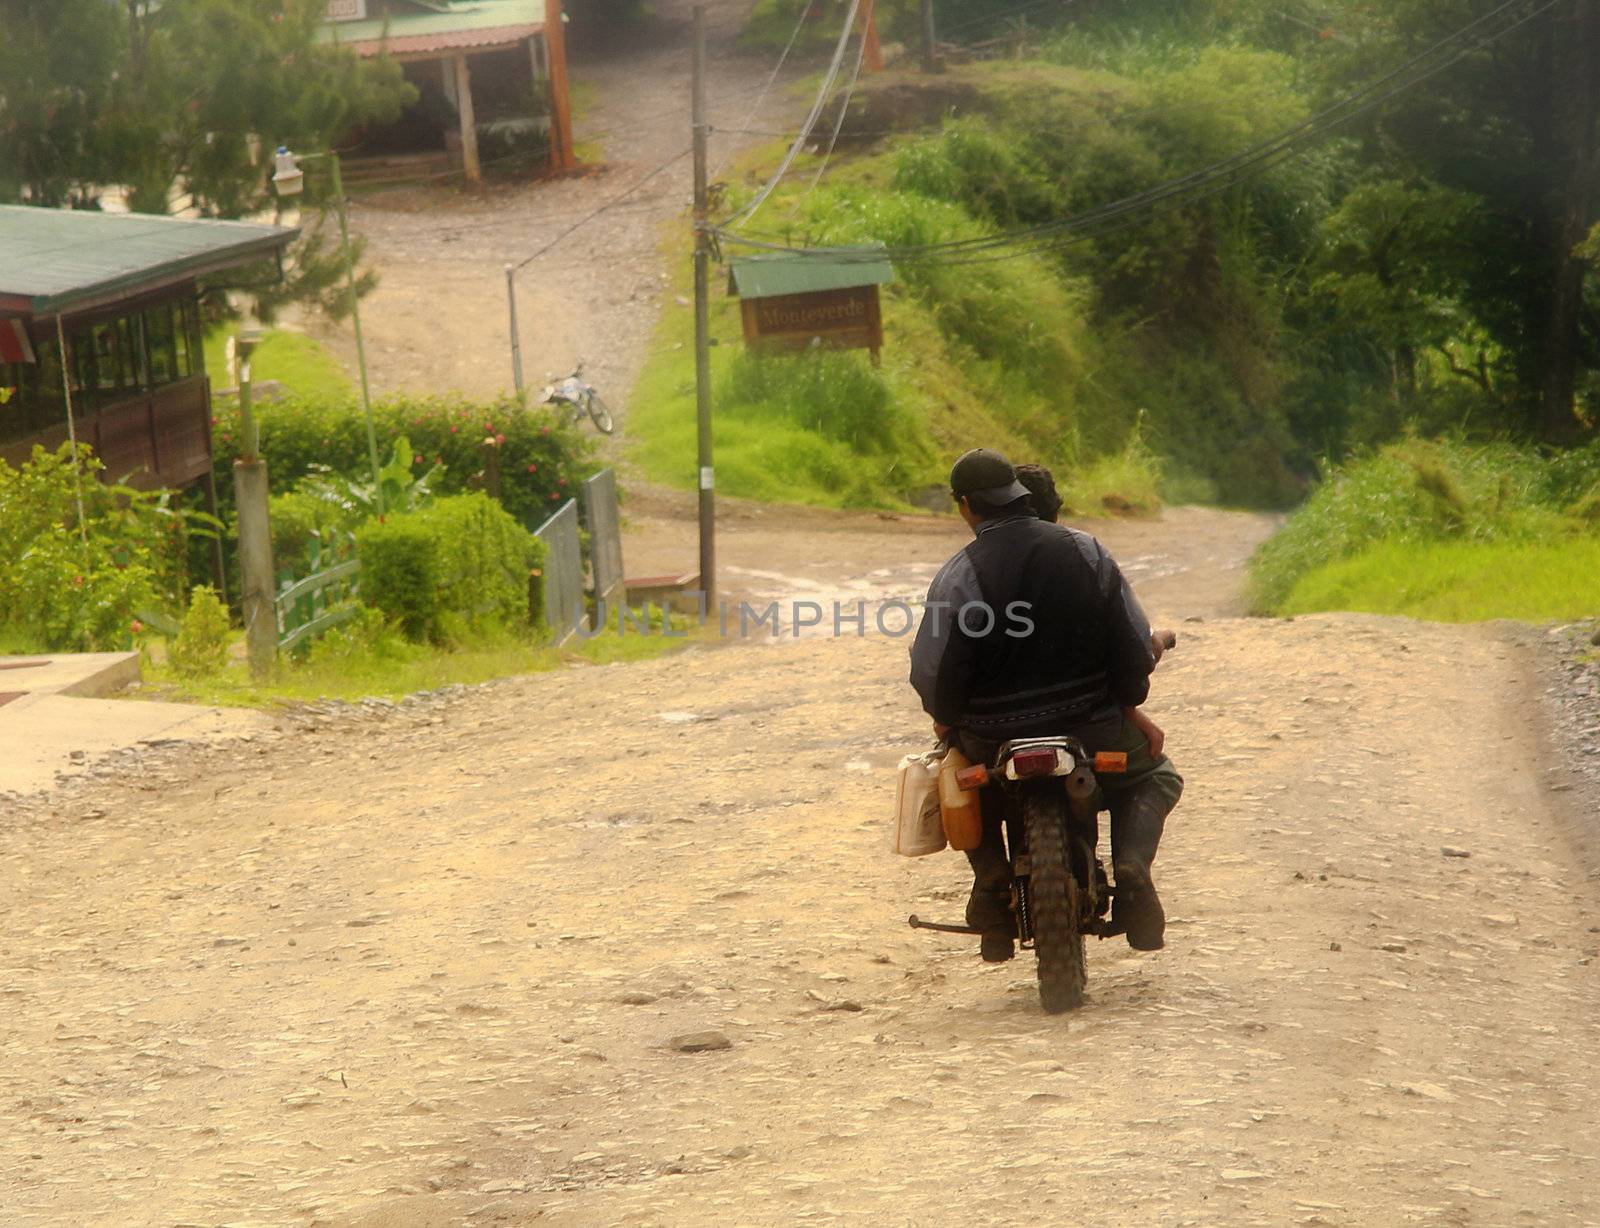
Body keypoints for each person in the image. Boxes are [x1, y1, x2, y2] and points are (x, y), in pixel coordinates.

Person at [909, 448, 1183, 962]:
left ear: (966, 505)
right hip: (1091, 726)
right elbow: (1129, 645)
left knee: (962, 783)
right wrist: (1128, 701)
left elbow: (933, 673)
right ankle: (1133, 868)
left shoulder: (958, 575)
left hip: (992, 736)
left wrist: (950, 722)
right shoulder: (1087, 551)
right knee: (1155, 775)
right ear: (1016, 491)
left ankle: (990, 881)